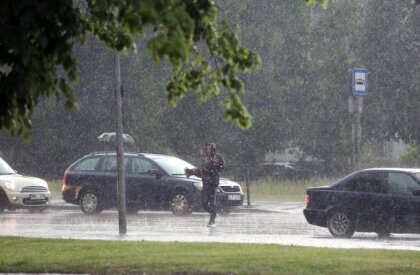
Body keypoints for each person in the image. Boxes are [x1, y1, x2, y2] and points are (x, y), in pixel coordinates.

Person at [185, 143, 224, 227]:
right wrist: (192, 172)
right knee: (204, 203)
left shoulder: (217, 157)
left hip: (212, 183)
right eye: (207, 149)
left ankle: (212, 220)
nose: (208, 150)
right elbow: (202, 171)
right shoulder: (205, 159)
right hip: (206, 183)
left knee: (212, 202)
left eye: (210, 149)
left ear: (213, 150)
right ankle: (213, 213)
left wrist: (211, 169)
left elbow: (219, 168)